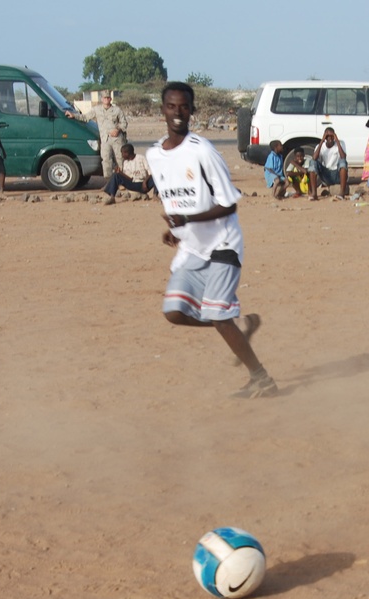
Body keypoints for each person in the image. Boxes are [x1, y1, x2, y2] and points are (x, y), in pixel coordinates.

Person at [145, 81, 277, 398]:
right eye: (172, 106)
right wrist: (176, 230)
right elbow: (176, 199)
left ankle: (262, 379)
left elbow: (228, 202)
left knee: (218, 315)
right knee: (174, 312)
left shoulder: (202, 151)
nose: (178, 113)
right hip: (192, 246)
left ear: (193, 110)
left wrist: (188, 219)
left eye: (185, 107)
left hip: (223, 244)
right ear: (162, 110)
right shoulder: (154, 155)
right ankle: (240, 324)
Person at [65, 92, 128, 179]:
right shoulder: (96, 109)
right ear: (101, 99)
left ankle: (123, 180)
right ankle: (109, 181)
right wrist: (74, 115)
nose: (106, 100)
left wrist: (118, 129)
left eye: (108, 98)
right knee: (106, 160)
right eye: (104, 98)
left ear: (110, 99)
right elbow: (85, 117)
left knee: (120, 159)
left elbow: (124, 123)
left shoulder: (117, 110)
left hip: (117, 139)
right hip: (105, 139)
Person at [308, 127, 349, 200]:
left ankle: (342, 193)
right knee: (312, 162)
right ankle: (314, 194)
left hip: (337, 173)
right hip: (326, 174)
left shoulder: (341, 143)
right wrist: (322, 141)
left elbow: (343, 157)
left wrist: (337, 141)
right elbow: (314, 158)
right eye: (327, 136)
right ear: (325, 137)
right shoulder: (320, 146)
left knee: (342, 162)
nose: (330, 138)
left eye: (331, 136)